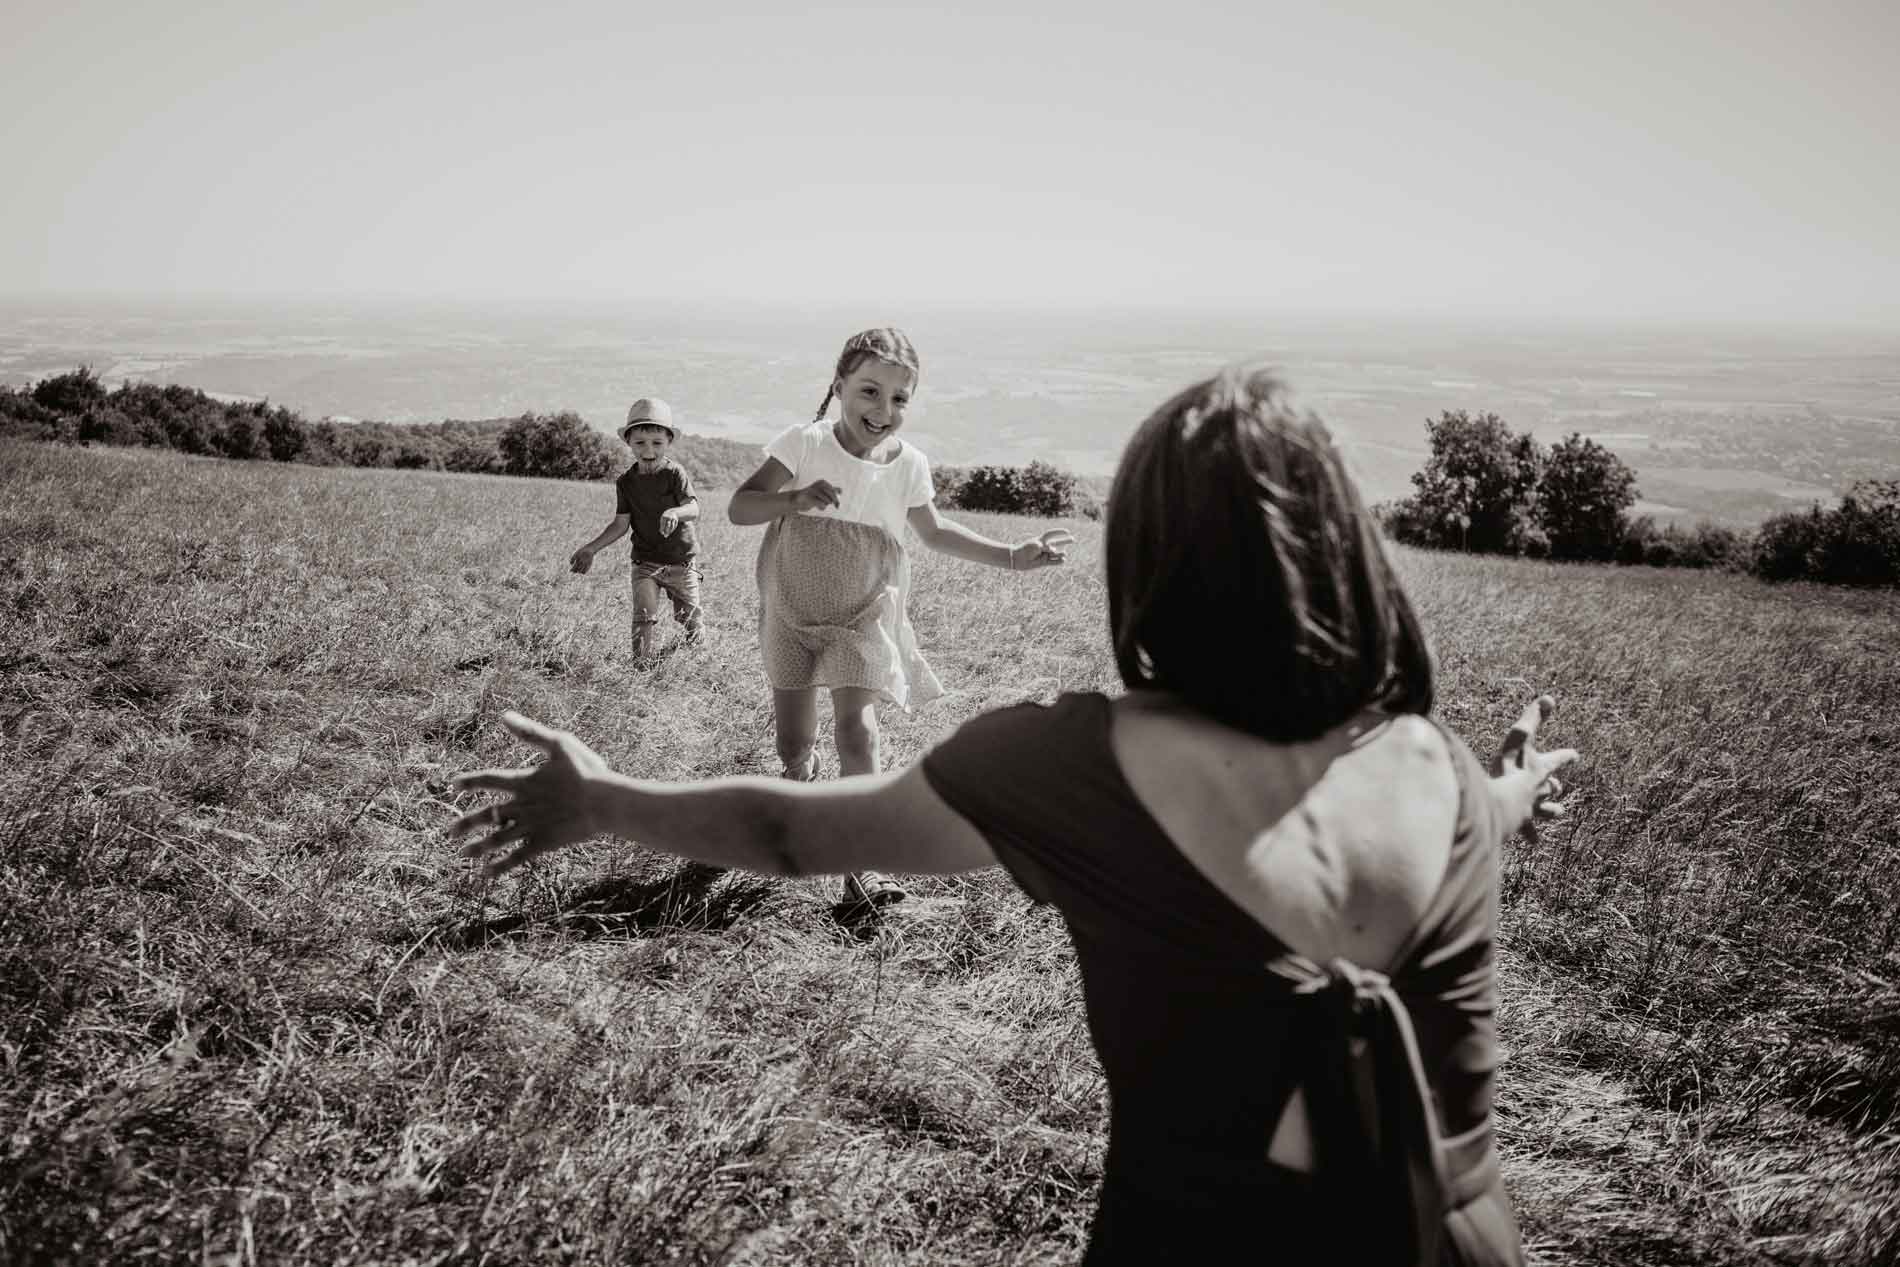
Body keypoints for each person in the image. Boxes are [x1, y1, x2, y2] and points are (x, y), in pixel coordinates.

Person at [450, 365, 1576, 1264]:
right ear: (1352, 557)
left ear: (1148, 565)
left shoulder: (1074, 766)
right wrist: (1514, 785)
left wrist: (603, 799)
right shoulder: (1433, 765)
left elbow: (795, 831)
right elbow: (1477, 813)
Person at [724, 327, 1073, 913]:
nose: (883, 411)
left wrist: (1013, 556)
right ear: (837, 387)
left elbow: (934, 532)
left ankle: (863, 871)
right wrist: (792, 499)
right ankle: (802, 780)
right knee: (794, 743)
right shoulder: (803, 443)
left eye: (900, 399)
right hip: (791, 615)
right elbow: (739, 508)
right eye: (868, 392)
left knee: (859, 733)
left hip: (864, 616)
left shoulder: (909, 465)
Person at [568, 398, 703, 661]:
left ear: (668, 442)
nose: (648, 450)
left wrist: (675, 512)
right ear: (628, 442)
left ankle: (696, 659)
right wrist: (591, 548)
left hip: (681, 563)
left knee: (688, 618)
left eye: (657, 443)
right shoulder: (626, 482)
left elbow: (694, 508)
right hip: (644, 562)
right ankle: (641, 667)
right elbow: (620, 524)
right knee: (644, 615)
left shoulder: (675, 474)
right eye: (640, 443)